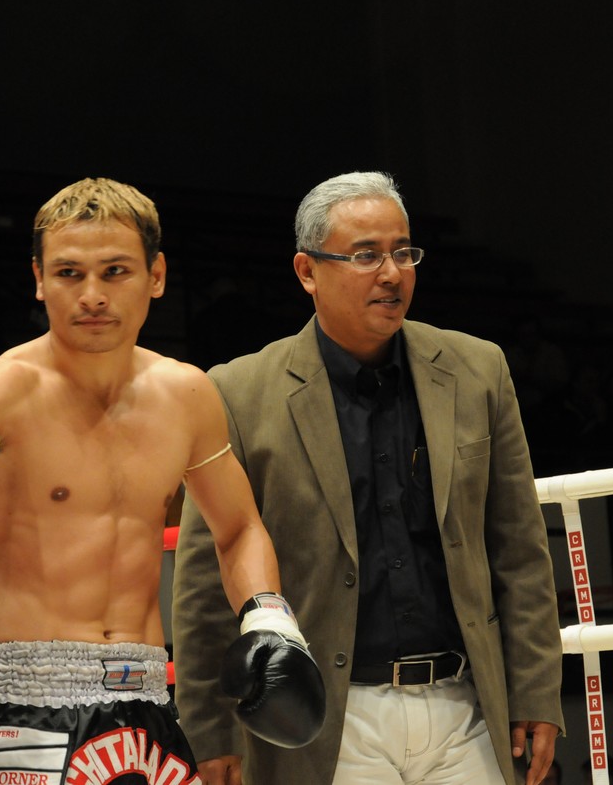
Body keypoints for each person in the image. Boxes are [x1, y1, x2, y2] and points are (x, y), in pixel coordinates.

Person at [0, 177, 326, 784]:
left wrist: (269, 618)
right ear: (39, 278)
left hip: (148, 706)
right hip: (25, 708)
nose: (93, 295)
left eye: (115, 271)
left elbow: (238, 529)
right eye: (70, 273)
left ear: (156, 275)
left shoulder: (186, 394)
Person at [172, 171, 565, 785]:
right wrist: (210, 728)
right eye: (365, 255)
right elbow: (204, 578)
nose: (391, 273)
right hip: (326, 716)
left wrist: (536, 690)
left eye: (403, 252)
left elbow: (519, 547)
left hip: (468, 703)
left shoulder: (479, 369)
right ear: (307, 271)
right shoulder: (238, 392)